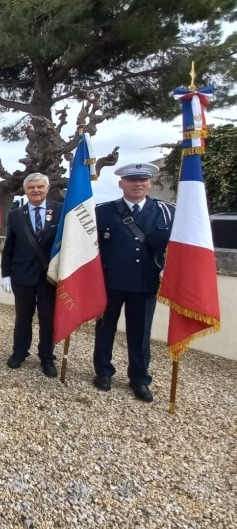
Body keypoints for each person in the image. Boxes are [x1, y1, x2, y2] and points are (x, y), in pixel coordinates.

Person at [93, 162, 175, 402]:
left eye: (142, 180)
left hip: (145, 283)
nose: (137, 184)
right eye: (132, 180)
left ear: (149, 183)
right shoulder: (103, 212)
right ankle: (103, 371)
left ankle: (139, 378)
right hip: (110, 282)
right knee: (104, 329)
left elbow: (178, 249)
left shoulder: (166, 211)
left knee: (140, 334)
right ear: (121, 184)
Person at [0, 173, 62, 377]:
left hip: (50, 277)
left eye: (39, 187)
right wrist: (5, 274)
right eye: (31, 187)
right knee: (22, 317)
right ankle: (19, 352)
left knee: (47, 319)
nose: (35, 190)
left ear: (47, 187)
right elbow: (9, 246)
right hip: (22, 275)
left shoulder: (61, 210)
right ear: (25, 190)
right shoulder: (16, 214)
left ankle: (46, 356)